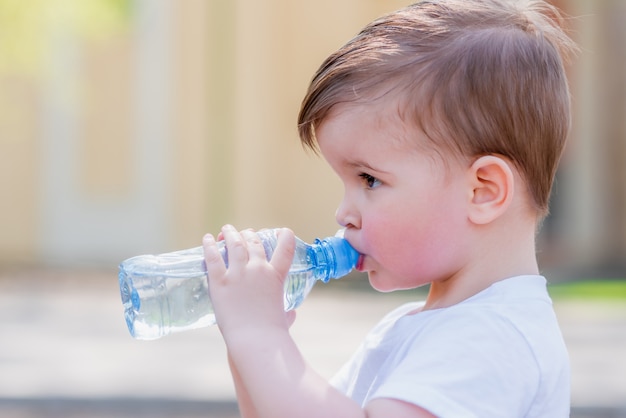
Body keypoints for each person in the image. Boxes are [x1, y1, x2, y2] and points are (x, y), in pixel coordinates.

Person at [202, 0, 577, 416]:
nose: (344, 214)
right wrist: (246, 342)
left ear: (483, 192)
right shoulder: (413, 328)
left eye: (369, 180)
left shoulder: (495, 337)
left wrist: (260, 334)